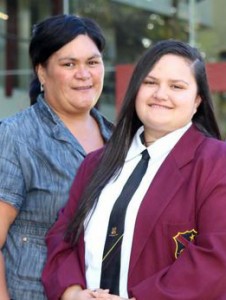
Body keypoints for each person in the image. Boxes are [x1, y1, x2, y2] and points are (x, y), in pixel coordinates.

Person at [42, 39, 226, 300]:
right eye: (150, 82)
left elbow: (217, 255)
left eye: (176, 86)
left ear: (197, 100)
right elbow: (63, 235)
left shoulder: (216, 162)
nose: (160, 94)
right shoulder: (95, 163)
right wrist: (71, 293)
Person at [0, 14, 113, 300]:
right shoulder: (16, 136)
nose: (84, 74)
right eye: (68, 64)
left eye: (92, 62)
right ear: (41, 72)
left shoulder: (119, 140)